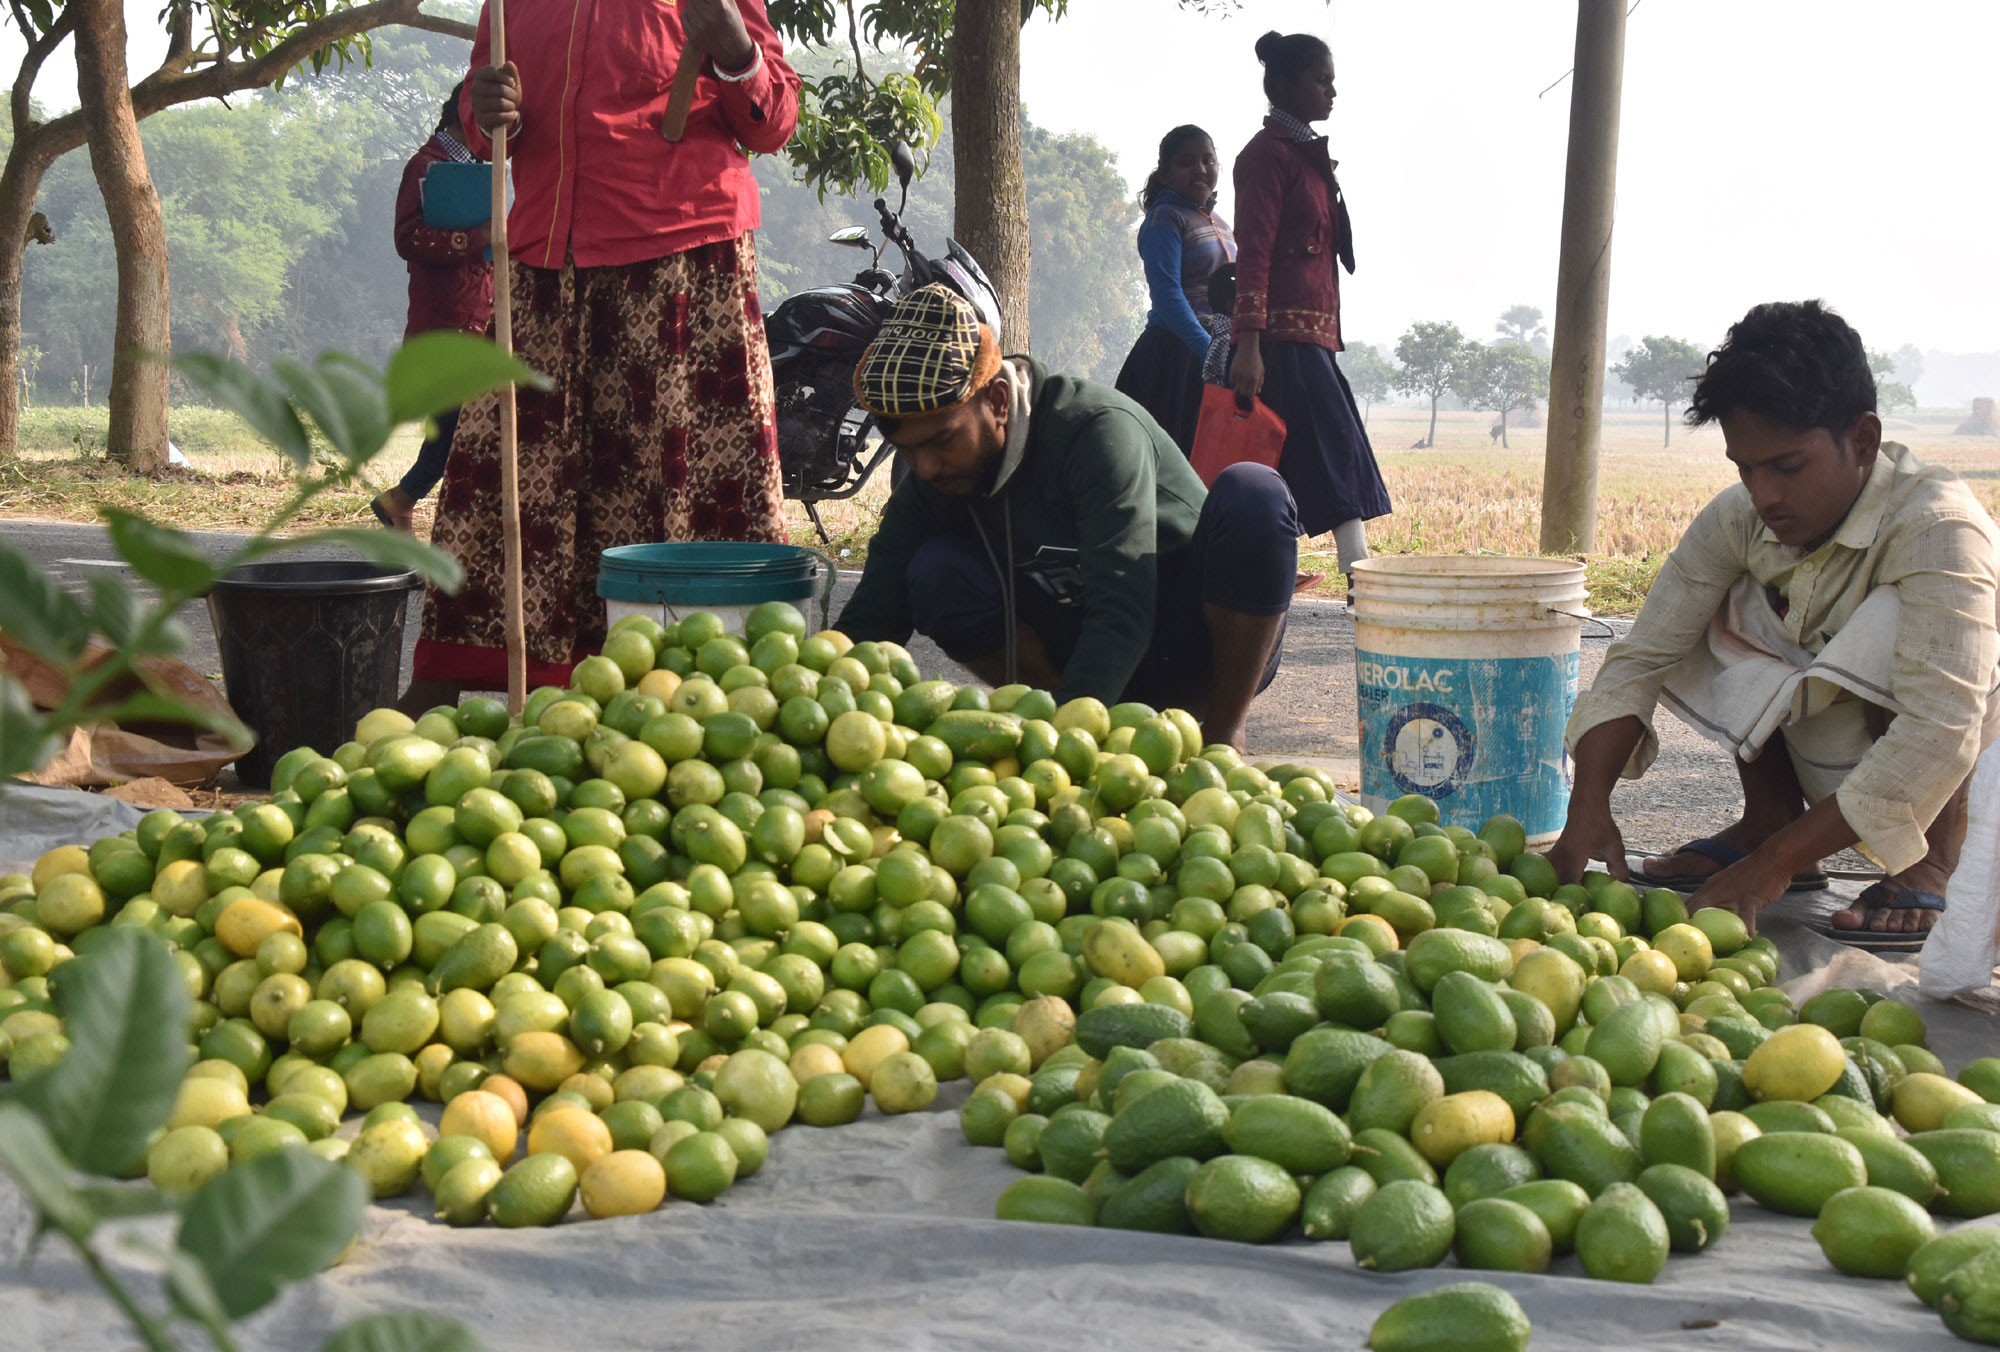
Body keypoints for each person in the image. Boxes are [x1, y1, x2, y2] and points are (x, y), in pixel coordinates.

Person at [1546, 300, 2000, 948]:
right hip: (1835, 755)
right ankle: (1769, 818)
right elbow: (1643, 657)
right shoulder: (1741, 520)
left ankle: (1931, 859)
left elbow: (1943, 727)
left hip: (1967, 764)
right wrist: (1586, 804)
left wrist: (1771, 869)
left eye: (1787, 467)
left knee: (1905, 626)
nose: (1764, 495)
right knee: (1728, 599)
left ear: (1864, 441)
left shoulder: (1937, 527)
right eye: (1744, 468)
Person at [403, 0, 799, 704]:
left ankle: (698, 693)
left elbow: (774, 123)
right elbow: (484, 113)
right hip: (541, 265)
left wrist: (737, 52)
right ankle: (488, 686)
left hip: (679, 263)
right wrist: (485, 110)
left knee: (667, 491)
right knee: (513, 480)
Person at [834, 284, 1300, 751]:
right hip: (1084, 656)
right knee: (935, 573)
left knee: (1254, 494)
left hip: (1190, 643)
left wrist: (1065, 751)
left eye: (941, 440)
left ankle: (1221, 736)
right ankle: (1059, 713)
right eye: (907, 451)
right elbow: (873, 614)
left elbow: (1123, 607)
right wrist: (813, 701)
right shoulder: (932, 483)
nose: (925, 467)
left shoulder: (1094, 431)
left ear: (997, 400)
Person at [1229, 30, 1390, 591]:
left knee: (1309, 454)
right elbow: (1254, 254)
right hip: (1282, 339)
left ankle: (1274, 575)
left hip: (1312, 337)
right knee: (1330, 449)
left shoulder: (1304, 156)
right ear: (1287, 84)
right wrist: (1248, 345)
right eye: (1323, 80)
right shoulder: (1266, 158)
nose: (1332, 92)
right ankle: (1358, 577)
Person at [373, 82, 495, 533]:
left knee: (458, 426)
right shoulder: (425, 167)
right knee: (454, 427)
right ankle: (402, 500)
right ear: (469, 117)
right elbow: (407, 239)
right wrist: (477, 238)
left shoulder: (483, 169)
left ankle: (402, 503)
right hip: (446, 319)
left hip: (480, 315)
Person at [1113, 125, 1236, 457]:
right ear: (1165, 175)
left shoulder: (1222, 223)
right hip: (1174, 359)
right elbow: (1168, 297)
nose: (1200, 169)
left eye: (1208, 160)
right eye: (1186, 162)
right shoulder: (1164, 219)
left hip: (1218, 355)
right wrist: (1208, 351)